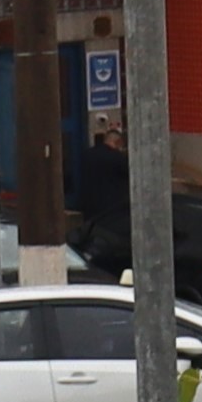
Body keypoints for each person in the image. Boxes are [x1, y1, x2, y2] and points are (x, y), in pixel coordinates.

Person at [68, 114, 134, 283]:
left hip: (89, 207)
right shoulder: (118, 159)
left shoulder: (88, 155)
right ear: (118, 143)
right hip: (111, 210)